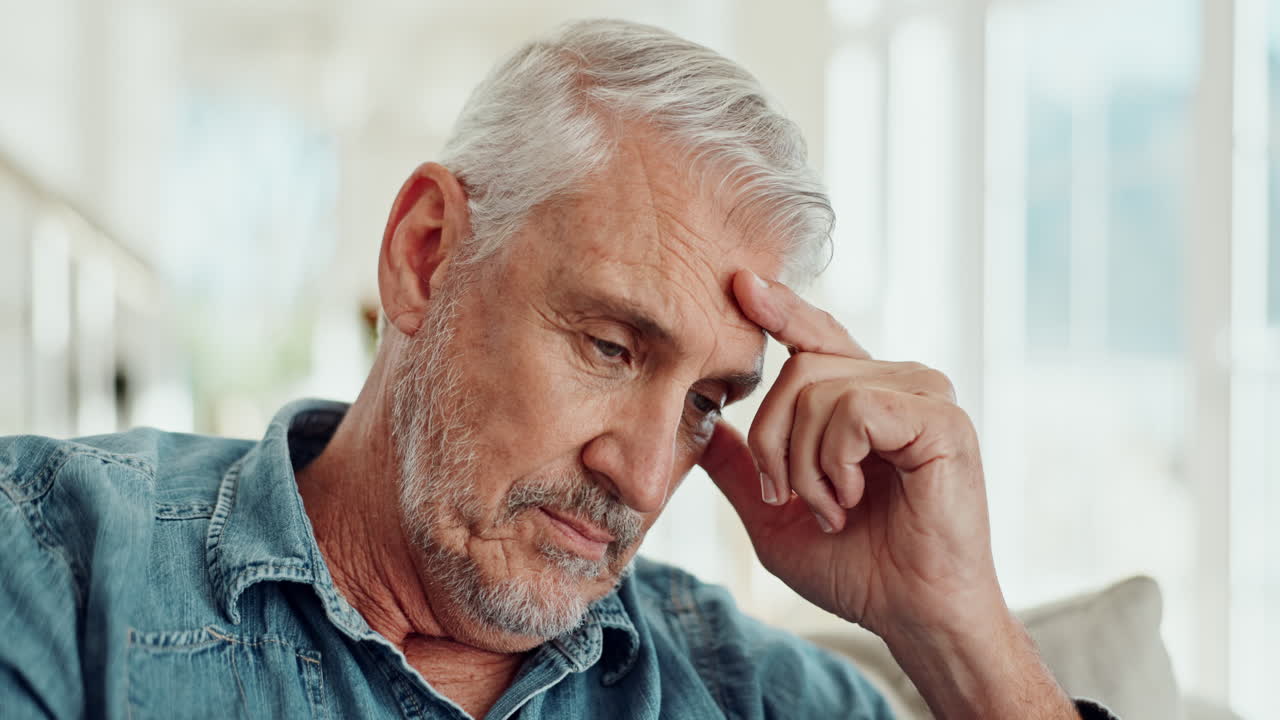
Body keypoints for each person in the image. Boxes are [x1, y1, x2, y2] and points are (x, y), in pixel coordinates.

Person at [0, 18, 1117, 720]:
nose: (640, 476)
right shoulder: (54, 558)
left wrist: (955, 634)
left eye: (707, 402)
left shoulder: (744, 689)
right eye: (610, 346)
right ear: (425, 255)